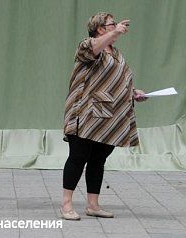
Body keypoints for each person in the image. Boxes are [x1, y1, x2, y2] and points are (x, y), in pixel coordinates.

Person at [61, 12, 147, 221]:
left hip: (109, 117)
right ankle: (66, 205)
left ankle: (93, 205)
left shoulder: (116, 53)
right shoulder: (88, 45)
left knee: (98, 160)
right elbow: (92, 50)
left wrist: (133, 91)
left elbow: (115, 79)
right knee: (78, 157)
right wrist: (114, 32)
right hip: (86, 113)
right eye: (112, 24)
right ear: (100, 29)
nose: (117, 26)